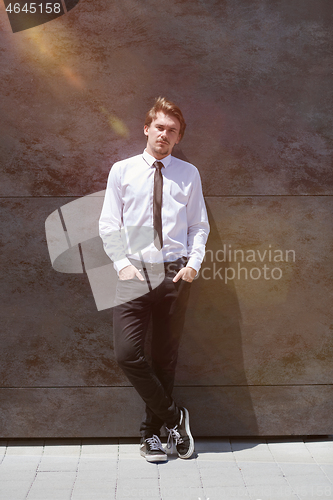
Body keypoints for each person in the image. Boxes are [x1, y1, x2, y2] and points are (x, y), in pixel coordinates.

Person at [99, 97, 209, 462]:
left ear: (178, 138)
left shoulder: (188, 174)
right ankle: (176, 418)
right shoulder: (122, 170)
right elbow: (108, 224)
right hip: (133, 273)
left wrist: (192, 264)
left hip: (174, 272)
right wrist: (121, 264)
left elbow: (198, 225)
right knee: (128, 354)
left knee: (164, 358)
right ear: (146, 129)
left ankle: (152, 435)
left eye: (172, 131)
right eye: (159, 127)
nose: (164, 134)